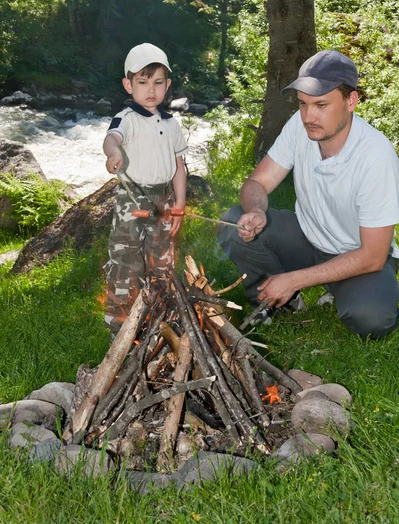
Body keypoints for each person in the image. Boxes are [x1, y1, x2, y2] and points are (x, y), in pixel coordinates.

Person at [218, 49, 399, 338]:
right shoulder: (299, 127)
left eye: (321, 104)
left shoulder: (377, 157)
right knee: (233, 222)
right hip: (307, 238)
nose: (308, 116)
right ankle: (281, 303)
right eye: (302, 104)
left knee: (373, 319)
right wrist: (256, 210)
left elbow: (374, 255)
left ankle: (324, 290)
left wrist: (295, 279)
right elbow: (257, 183)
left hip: (358, 256)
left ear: (351, 101)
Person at [103, 42, 187, 333]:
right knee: (127, 260)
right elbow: (112, 138)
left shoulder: (172, 124)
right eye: (142, 82)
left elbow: (179, 166)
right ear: (128, 84)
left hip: (163, 197)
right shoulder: (127, 119)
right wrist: (113, 153)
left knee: (161, 258)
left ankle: (160, 315)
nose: (151, 90)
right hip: (133, 198)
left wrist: (179, 205)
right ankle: (120, 324)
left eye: (158, 82)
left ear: (167, 85)